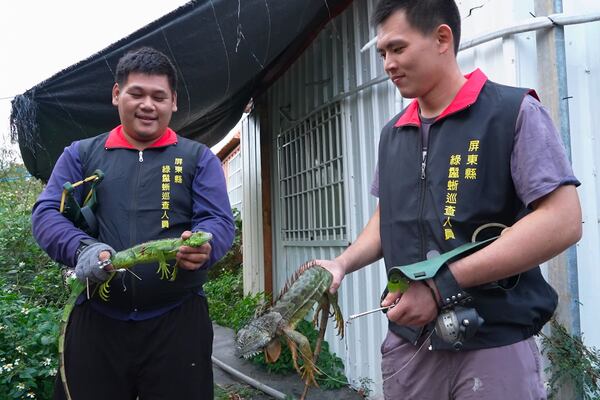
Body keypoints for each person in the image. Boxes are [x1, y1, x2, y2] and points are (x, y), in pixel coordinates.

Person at [318, 1, 582, 398]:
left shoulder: (512, 112)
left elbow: (561, 221)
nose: (388, 63)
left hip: (492, 342)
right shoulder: (394, 134)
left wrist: (441, 287)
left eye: (398, 48)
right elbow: (387, 217)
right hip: (411, 347)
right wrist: (342, 263)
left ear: (442, 38)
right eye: (383, 53)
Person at [32, 46, 235, 399]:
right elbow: (46, 214)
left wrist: (206, 245)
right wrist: (84, 249)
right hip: (96, 316)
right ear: (116, 95)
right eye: (136, 93)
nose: (147, 105)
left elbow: (218, 219)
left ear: (173, 101)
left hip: (177, 321)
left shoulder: (197, 157)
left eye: (159, 96)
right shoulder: (81, 154)